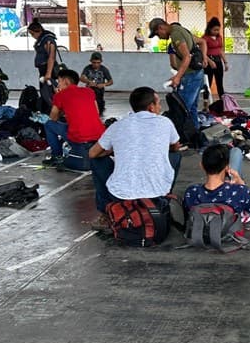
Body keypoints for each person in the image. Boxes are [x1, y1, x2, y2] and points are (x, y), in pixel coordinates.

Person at [88, 87, 182, 229]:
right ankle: (164, 199)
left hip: (121, 194)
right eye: (158, 103)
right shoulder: (165, 122)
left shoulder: (117, 125)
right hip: (156, 192)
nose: (160, 106)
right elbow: (175, 147)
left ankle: (106, 212)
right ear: (151, 107)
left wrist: (113, 151)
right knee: (175, 156)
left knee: (96, 161)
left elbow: (92, 153)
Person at [148, 18, 207, 129]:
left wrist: (178, 77)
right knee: (192, 107)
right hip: (196, 73)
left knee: (182, 109)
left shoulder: (176, 34)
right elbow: (202, 42)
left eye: (157, 34)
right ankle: (195, 134)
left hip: (191, 76)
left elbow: (186, 57)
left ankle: (178, 136)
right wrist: (204, 58)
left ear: (161, 28)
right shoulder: (180, 30)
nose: (159, 37)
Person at [43, 69, 105, 167]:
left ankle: (57, 156)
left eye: (59, 81)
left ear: (66, 81)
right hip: (100, 137)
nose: (58, 85)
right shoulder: (89, 91)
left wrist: (61, 108)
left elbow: (53, 118)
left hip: (80, 138)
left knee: (49, 125)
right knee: (70, 124)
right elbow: (97, 113)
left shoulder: (60, 95)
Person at [28, 20, 59, 112]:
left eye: (32, 34)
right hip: (42, 70)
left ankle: (54, 112)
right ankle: (48, 110)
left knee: (49, 93)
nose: (32, 36)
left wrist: (48, 73)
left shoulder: (48, 40)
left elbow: (51, 57)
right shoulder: (41, 40)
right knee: (44, 92)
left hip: (48, 70)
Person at [202, 17, 228, 99]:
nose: (216, 32)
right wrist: (209, 61)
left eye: (218, 30)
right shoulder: (204, 39)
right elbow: (202, 52)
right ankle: (206, 102)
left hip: (218, 61)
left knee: (220, 83)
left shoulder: (219, 38)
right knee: (207, 83)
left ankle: (222, 102)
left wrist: (225, 62)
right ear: (209, 29)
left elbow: (221, 50)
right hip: (209, 61)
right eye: (214, 30)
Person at [80, 52, 113, 116]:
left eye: (98, 63)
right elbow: (81, 78)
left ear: (101, 62)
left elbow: (111, 81)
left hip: (99, 91)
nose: (96, 64)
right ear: (91, 61)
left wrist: (103, 84)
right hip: (89, 90)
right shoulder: (87, 68)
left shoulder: (104, 69)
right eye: (94, 62)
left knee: (99, 105)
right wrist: (88, 81)